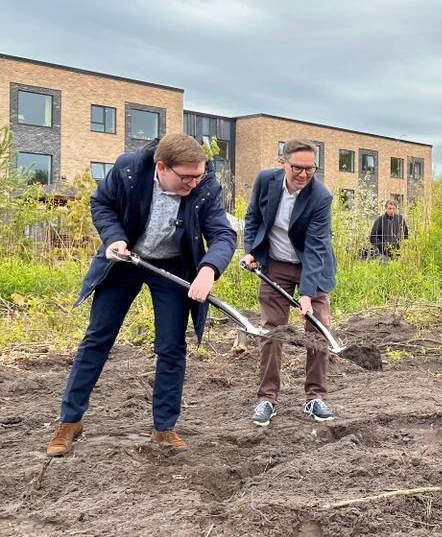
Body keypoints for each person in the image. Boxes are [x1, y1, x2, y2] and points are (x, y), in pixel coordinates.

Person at [46, 134, 236, 456]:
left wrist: (208, 270)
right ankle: (69, 421)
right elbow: (102, 204)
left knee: (172, 347)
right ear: (161, 167)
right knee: (97, 338)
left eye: (198, 175)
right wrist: (114, 239)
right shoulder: (129, 170)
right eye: (186, 177)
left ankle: (164, 428)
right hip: (125, 258)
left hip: (172, 266)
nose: (193, 183)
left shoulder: (205, 186)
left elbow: (221, 233)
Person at [242, 139, 338, 426]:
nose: (304, 174)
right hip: (276, 265)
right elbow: (253, 217)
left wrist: (307, 294)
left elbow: (317, 246)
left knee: (318, 329)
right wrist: (251, 250)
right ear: (283, 162)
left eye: (311, 169)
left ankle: (315, 398)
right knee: (272, 331)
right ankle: (267, 399)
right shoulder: (265, 181)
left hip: (313, 267)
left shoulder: (321, 196)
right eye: (298, 167)